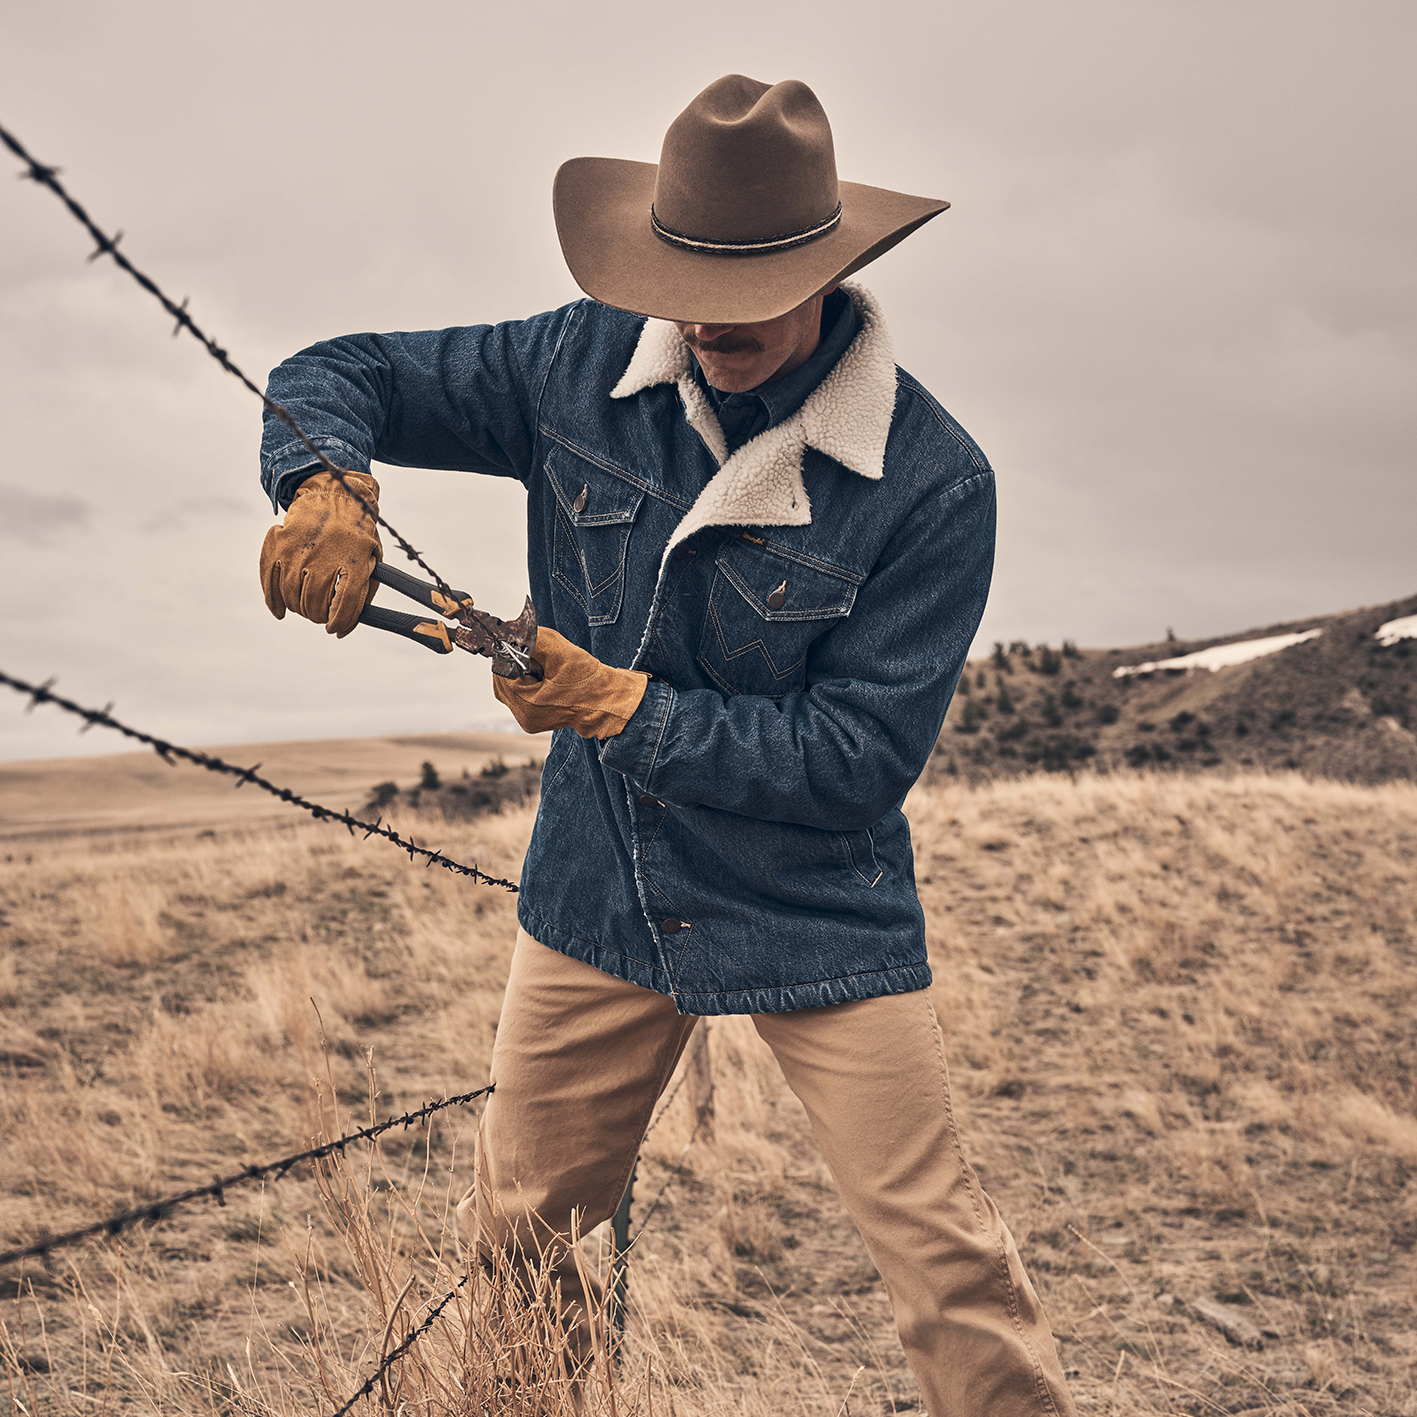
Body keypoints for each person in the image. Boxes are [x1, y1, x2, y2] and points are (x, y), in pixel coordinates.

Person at [258, 74, 1075, 1417]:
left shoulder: (935, 483)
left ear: (823, 269)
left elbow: (854, 762)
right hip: (599, 889)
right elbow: (335, 375)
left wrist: (617, 706)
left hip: (821, 914)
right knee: (520, 1236)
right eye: (679, 275)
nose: (703, 316)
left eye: (744, 286)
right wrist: (323, 480)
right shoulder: (574, 362)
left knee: (949, 1270)